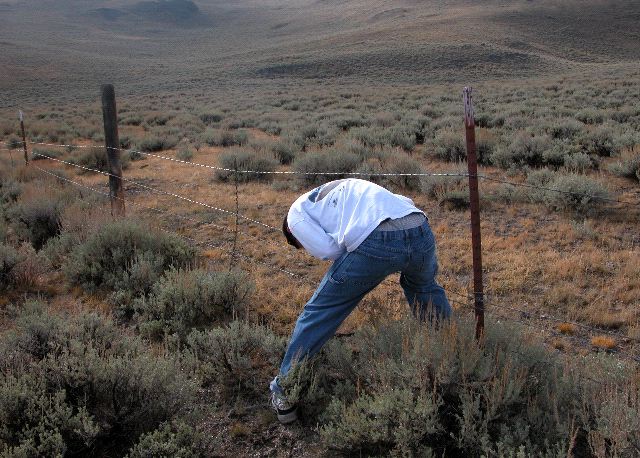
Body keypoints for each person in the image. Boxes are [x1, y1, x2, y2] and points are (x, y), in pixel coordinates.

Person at [270, 178, 451, 424]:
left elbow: (328, 251)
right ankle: (453, 359)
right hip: (420, 227)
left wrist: (363, 259)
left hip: (377, 240)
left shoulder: (295, 216)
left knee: (321, 311)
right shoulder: (331, 192)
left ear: (291, 234)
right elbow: (404, 201)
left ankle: (285, 392)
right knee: (425, 289)